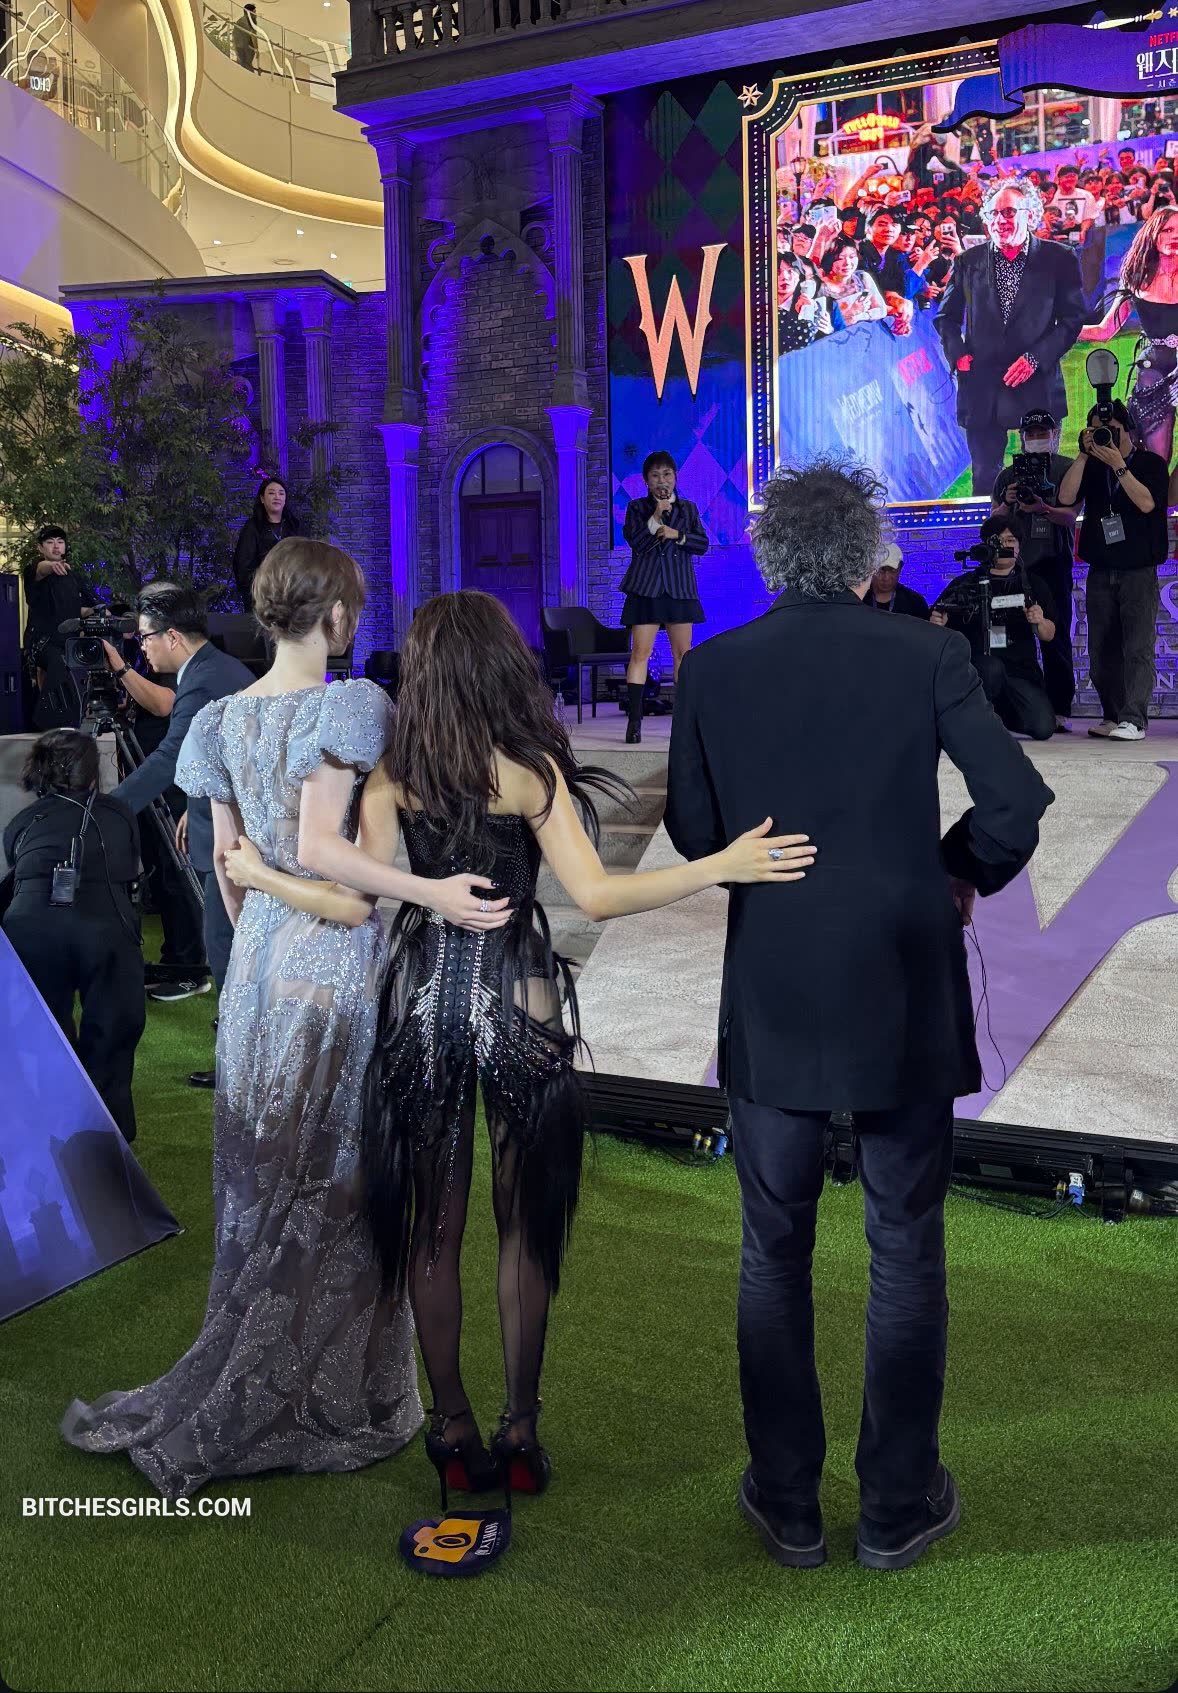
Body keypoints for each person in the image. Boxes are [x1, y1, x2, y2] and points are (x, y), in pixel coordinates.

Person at [220, 586, 814, 1511]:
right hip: (520, 998)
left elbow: (360, 898)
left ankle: (453, 1432)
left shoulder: (393, 775)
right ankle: (521, 1428)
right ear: (502, 663)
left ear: (423, 672)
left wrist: (268, 876)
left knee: (433, 1226)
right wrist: (720, 867)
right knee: (523, 1224)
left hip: (421, 1002)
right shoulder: (529, 770)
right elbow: (599, 896)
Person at [665, 456, 1052, 1573]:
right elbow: (1014, 801)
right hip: (901, 978)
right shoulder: (925, 653)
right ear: (864, 556)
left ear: (768, 556)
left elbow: (696, 834)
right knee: (904, 1246)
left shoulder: (715, 667)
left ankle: (788, 1500)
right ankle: (894, 1503)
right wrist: (955, 868)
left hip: (776, 983)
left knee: (771, 1249)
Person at [61, 539, 461, 1496]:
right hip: (331, 964)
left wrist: (264, 933)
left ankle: (268, 1368)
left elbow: (223, 870)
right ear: (336, 615)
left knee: (261, 1175)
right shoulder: (351, 706)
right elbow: (331, 856)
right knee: (336, 1181)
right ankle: (336, 1397)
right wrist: (427, 890)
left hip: (259, 971)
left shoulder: (219, 719)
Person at [110, 585, 253, 1014]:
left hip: (231, 835)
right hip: (221, 818)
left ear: (171, 636)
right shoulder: (214, 668)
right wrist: (196, 802)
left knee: (225, 943)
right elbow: (217, 754)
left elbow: (172, 755)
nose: (142, 647)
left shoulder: (204, 679)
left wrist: (108, 808)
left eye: (145, 637)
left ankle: (234, 1046)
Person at [3, 732, 144, 1142]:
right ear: (94, 773)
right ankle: (107, 1138)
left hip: (30, 928)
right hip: (107, 928)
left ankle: (50, 1133)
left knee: (43, 1036)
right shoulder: (119, 814)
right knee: (112, 1032)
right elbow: (131, 869)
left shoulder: (22, 822)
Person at [937, 177, 1088, 495]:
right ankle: (990, 527)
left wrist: (1036, 358)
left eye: (1008, 212)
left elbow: (1072, 319)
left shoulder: (1059, 258)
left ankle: (1040, 528)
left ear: (1030, 214)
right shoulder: (967, 262)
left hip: (1037, 385)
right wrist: (958, 354)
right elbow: (946, 318)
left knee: (1040, 479)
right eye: (993, 213)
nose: (999, 221)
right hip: (982, 387)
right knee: (984, 480)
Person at [1057, 400, 1168, 741]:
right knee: (1101, 648)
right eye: (1095, 431)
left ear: (1127, 430)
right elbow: (1066, 498)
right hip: (1101, 568)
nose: (1104, 436)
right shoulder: (1092, 466)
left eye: (1110, 431)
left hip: (1138, 569)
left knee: (1137, 646)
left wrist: (1119, 466)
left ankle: (1134, 719)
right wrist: (1083, 454)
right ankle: (1112, 714)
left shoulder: (1150, 463)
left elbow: (1147, 503)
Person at [931, 515, 1057, 741]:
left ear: (1019, 545)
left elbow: (1049, 635)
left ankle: (999, 718)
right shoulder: (965, 584)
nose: (1004, 546)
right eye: (996, 541)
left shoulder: (1033, 584)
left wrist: (1039, 621)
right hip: (978, 673)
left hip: (1019, 673)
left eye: (1010, 540)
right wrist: (937, 623)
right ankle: (973, 720)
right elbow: (935, 620)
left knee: (1043, 727)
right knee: (991, 668)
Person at [991, 409, 1078, 731]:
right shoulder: (1007, 475)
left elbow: (1071, 516)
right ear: (1022, 438)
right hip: (1013, 567)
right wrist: (1008, 502)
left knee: (1056, 636)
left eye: (1043, 433)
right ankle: (1009, 705)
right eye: (1032, 434)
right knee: (1007, 637)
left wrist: (1044, 508)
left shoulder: (1067, 468)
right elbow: (992, 522)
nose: (1037, 439)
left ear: (1055, 434)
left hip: (1053, 563)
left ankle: (1059, 707)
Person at [619, 451, 708, 744]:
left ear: (675, 477)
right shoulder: (636, 508)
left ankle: (683, 723)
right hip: (646, 588)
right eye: (655, 476)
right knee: (640, 653)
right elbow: (637, 543)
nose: (662, 481)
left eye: (667, 474)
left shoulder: (688, 509)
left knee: (683, 654)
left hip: (679, 589)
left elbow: (702, 544)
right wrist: (656, 517)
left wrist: (677, 535)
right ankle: (634, 722)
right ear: (646, 481)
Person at [1081, 208, 1178, 465]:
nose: (1174, 236)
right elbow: (1104, 331)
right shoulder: (1137, 278)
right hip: (1154, 369)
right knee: (1156, 459)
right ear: (1153, 234)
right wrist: (1062, 329)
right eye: (1168, 230)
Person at [21, 526, 93, 731]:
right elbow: (41, 569)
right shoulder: (35, 570)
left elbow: (79, 608)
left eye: (60, 542)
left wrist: (97, 611)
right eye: (50, 542)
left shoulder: (73, 576)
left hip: (70, 643)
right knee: (58, 664)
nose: (56, 546)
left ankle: (73, 722)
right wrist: (52, 566)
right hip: (42, 643)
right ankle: (52, 723)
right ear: (40, 547)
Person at [232, 478, 299, 610]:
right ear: (262, 498)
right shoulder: (253, 527)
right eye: (271, 493)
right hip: (261, 596)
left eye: (281, 493)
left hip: (292, 596)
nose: (277, 497)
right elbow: (243, 566)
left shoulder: (294, 526)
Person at [864, 544, 929, 618]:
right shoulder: (859, 599)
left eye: (892, 570)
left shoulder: (915, 603)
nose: (886, 578)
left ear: (900, 568)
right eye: (881, 570)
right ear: (871, 569)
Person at [1048, 163, 1098, 244]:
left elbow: (1089, 217)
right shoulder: (1053, 196)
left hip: (1080, 234)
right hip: (1056, 236)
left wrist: (1083, 230)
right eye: (1067, 176)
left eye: (1073, 176)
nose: (1070, 179)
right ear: (1060, 179)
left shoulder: (1087, 195)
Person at [232, 1, 258, 71]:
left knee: (243, 65)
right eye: (254, 12)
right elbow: (253, 36)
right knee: (246, 65)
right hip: (245, 47)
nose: (255, 14)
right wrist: (256, 49)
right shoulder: (249, 21)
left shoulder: (241, 20)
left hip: (240, 46)